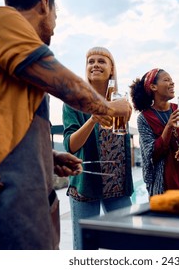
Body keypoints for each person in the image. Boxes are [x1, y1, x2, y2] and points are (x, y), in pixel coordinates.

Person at [0, 0, 131, 250]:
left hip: (18, 209)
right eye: (57, 17)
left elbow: (0, 124)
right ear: (45, 5)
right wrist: (109, 109)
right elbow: (64, 84)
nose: (55, 28)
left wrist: (49, 156)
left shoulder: (12, 58)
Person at [62, 46, 133, 250]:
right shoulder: (75, 101)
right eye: (90, 61)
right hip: (86, 185)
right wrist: (93, 118)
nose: (95, 65)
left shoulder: (120, 100)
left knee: (126, 247)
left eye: (101, 61)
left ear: (112, 68)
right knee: (86, 249)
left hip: (118, 186)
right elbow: (70, 145)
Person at [129, 68, 179, 196]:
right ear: (153, 87)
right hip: (165, 181)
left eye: (172, 80)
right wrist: (169, 126)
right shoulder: (144, 118)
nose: (172, 83)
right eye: (166, 80)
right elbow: (151, 153)